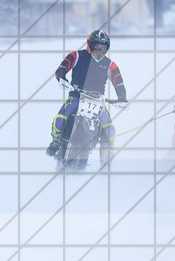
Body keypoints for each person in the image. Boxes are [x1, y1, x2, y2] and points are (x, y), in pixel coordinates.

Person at [45, 30, 128, 164]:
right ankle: (55, 142)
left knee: (110, 129)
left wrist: (122, 98)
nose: (99, 48)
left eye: (103, 46)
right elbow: (62, 68)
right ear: (90, 44)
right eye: (96, 45)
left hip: (97, 101)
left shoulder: (109, 64)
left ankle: (106, 165)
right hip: (76, 97)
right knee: (59, 120)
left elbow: (118, 82)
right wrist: (61, 78)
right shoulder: (76, 55)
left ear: (107, 48)